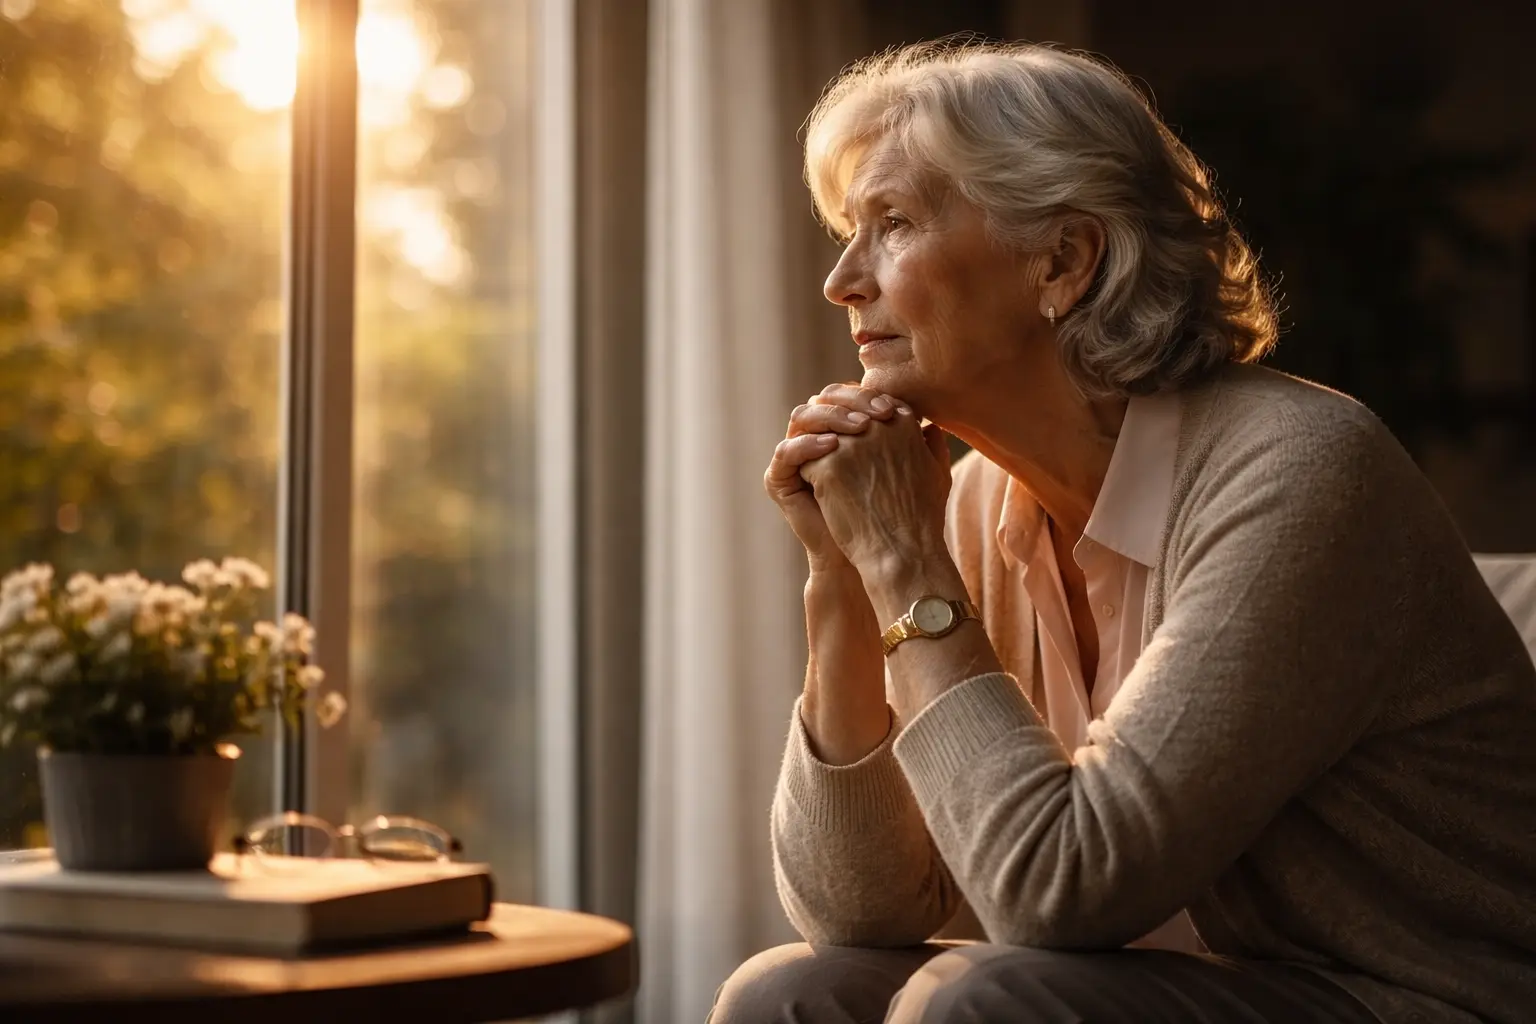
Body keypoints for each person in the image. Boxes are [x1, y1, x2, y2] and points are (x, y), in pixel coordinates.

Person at [712, 39, 1536, 1024]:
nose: (843, 280)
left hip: (1426, 999)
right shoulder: (974, 502)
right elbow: (855, 908)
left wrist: (905, 561)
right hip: (1201, 990)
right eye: (852, 231)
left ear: (1063, 260)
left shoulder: (1301, 473)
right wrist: (847, 575)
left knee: (985, 1000)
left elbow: (1063, 890)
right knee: (788, 995)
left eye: (892, 224)